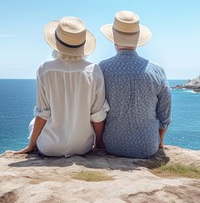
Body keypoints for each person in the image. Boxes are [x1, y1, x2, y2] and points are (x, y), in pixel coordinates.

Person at [15, 16, 108, 156]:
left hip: (49, 147)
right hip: (82, 147)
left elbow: (43, 114)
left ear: (56, 43)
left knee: (34, 120)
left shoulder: (44, 70)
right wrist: (99, 143)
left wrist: (31, 145)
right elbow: (97, 115)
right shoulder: (94, 71)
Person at [99, 10, 171, 159]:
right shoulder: (157, 71)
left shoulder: (102, 68)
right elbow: (165, 114)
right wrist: (160, 141)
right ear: (137, 41)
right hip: (147, 147)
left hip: (112, 145)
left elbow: (96, 110)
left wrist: (99, 141)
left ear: (114, 39)